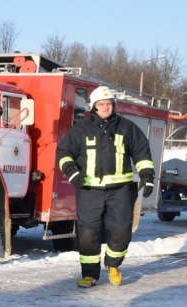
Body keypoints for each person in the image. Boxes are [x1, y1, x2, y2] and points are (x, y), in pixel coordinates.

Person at [56, 85, 155, 287]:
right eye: (101, 104)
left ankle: (113, 265)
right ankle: (89, 275)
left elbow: (142, 152)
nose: (105, 107)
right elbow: (63, 153)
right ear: (93, 107)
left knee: (121, 231)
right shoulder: (80, 130)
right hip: (89, 190)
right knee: (88, 233)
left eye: (108, 104)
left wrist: (147, 175)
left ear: (114, 106)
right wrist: (72, 172)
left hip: (120, 191)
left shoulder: (127, 128)